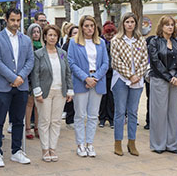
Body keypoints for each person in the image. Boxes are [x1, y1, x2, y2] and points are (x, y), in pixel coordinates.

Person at [0, 8, 34, 167]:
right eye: (13, 20)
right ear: (6, 19)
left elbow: (30, 61)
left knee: (18, 120)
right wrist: (13, 78)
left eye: (18, 20)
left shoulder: (26, 40)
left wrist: (20, 77)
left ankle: (16, 151)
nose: (16, 23)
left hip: (21, 87)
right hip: (2, 87)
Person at [67, 15, 109, 157]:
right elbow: (71, 63)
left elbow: (105, 63)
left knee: (93, 115)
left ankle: (90, 144)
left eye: (92, 25)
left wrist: (95, 77)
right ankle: (80, 144)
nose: (89, 28)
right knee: (80, 115)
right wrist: (86, 77)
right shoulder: (74, 42)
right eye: (86, 26)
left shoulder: (101, 43)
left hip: (97, 81)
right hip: (81, 81)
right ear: (81, 27)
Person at [31, 24, 73, 162]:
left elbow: (67, 72)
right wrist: (37, 92)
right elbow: (35, 74)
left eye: (55, 35)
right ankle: (44, 149)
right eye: (50, 35)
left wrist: (69, 90)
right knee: (44, 121)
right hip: (44, 92)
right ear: (45, 36)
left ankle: (52, 148)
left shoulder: (62, 53)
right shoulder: (38, 54)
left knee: (55, 121)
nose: (52, 38)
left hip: (60, 91)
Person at [110, 12, 148, 156]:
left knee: (133, 112)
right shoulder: (116, 40)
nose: (130, 24)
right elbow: (116, 61)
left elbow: (145, 60)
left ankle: (132, 142)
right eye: (127, 22)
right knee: (120, 112)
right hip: (121, 79)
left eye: (132, 22)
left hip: (137, 81)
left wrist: (137, 75)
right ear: (123, 24)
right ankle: (117, 142)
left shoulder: (141, 40)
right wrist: (130, 75)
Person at [148, 16, 177, 154]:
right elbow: (155, 61)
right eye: (167, 25)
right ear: (161, 27)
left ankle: (171, 144)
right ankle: (158, 145)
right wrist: (169, 77)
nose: (170, 27)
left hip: (176, 80)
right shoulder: (154, 41)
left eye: (172, 24)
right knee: (159, 113)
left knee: (173, 112)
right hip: (160, 79)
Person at [25, 23, 43, 139]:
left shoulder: (43, 45)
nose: (36, 34)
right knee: (30, 103)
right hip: (30, 78)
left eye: (38, 32)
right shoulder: (28, 46)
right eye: (34, 32)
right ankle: (27, 128)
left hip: (41, 78)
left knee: (38, 104)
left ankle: (37, 127)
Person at [98, 21, 117, 128]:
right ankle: (101, 117)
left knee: (111, 96)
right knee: (102, 96)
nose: (109, 36)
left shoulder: (116, 42)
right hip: (102, 73)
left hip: (113, 72)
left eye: (111, 34)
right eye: (107, 34)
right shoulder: (100, 42)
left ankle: (111, 118)